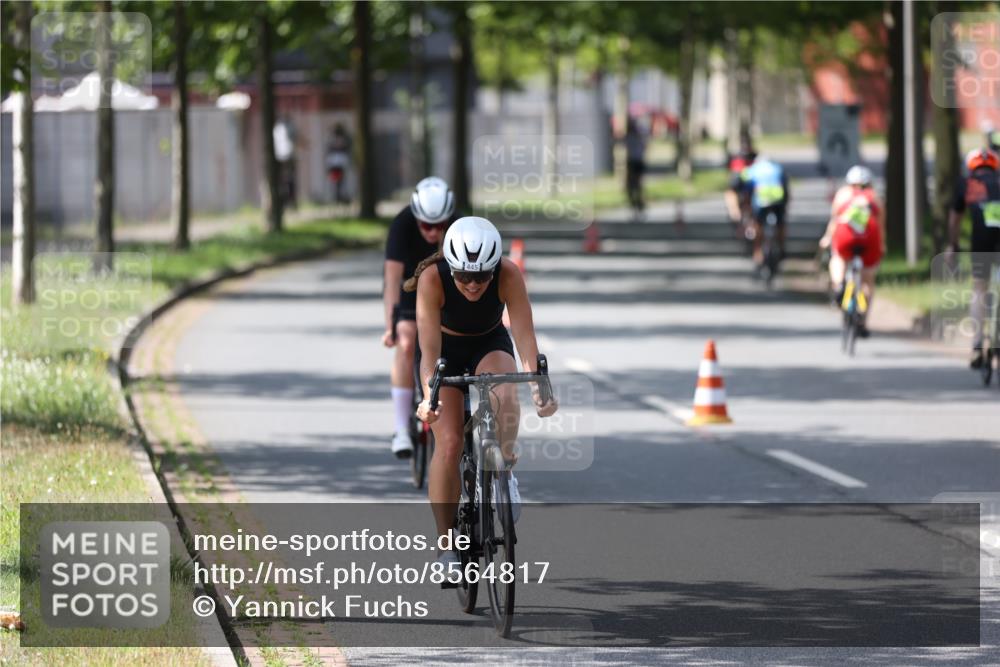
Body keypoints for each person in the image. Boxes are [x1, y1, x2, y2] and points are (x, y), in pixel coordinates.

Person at [408, 217, 557, 568]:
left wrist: (540, 386)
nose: (473, 285)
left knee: (506, 395)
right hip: (445, 352)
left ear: (494, 268)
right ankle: (446, 546)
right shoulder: (432, 279)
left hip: (489, 343)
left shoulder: (508, 274)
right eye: (464, 276)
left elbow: (524, 338)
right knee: (448, 443)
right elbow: (428, 354)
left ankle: (503, 470)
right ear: (450, 267)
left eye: (482, 276)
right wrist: (428, 399)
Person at [383, 177, 457, 458]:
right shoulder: (402, 225)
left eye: (440, 225)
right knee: (406, 342)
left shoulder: (458, 224)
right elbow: (391, 280)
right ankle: (401, 429)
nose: (433, 231)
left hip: (447, 288)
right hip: (408, 290)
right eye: (426, 225)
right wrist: (390, 324)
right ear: (416, 218)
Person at [947, 148, 1000, 370]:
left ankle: (977, 344)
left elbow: (955, 219)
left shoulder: (966, 184)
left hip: (982, 241)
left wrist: (954, 246)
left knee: (979, 289)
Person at [818, 165, 885, 338]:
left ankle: (839, 284)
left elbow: (834, 220)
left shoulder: (843, 194)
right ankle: (863, 320)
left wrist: (826, 238)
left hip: (845, 235)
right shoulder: (875, 197)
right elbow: (880, 226)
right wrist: (882, 245)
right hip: (870, 238)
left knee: (838, 258)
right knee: (868, 282)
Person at [737, 155, 790, 269]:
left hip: (761, 200)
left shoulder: (752, 169)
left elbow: (745, 188)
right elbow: (786, 187)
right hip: (777, 198)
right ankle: (781, 248)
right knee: (781, 223)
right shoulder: (777, 168)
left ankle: (757, 251)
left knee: (757, 224)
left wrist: (745, 208)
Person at [624, 118, 647, 219]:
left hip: (635, 162)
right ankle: (637, 204)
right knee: (633, 185)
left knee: (635, 185)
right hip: (634, 162)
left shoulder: (634, 137)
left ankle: (638, 204)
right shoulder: (632, 137)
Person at [325, 124, 352, 204]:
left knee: (340, 180)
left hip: (338, 162)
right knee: (337, 180)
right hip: (336, 162)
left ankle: (340, 196)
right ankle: (337, 196)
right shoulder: (333, 139)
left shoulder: (342, 139)